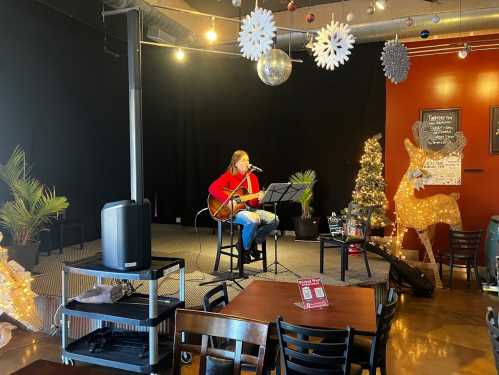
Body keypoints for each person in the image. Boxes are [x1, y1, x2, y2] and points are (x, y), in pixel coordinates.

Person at [209, 150, 279, 263]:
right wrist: (227, 201)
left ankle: (249, 243)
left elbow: (253, 204)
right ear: (235, 163)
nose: (247, 162)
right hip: (233, 211)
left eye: (248, 160)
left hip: (249, 209)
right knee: (253, 220)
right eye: (243, 160)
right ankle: (246, 250)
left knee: (274, 219)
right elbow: (212, 188)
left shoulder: (253, 178)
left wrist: (259, 198)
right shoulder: (228, 176)